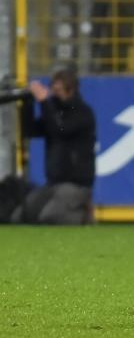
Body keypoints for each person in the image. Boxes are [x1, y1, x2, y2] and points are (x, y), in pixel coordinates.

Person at [11, 68, 97, 225]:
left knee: (51, 218)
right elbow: (29, 131)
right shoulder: (55, 112)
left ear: (70, 90)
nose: (53, 94)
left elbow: (60, 130)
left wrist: (43, 103)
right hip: (53, 184)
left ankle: (84, 215)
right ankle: (76, 210)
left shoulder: (83, 113)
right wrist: (28, 104)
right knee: (20, 217)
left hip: (76, 185)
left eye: (58, 90)